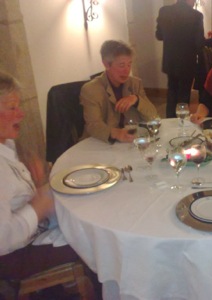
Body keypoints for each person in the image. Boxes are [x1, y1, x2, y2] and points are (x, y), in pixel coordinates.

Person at [0, 71, 100, 295]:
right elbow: (3, 239)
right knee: (93, 239)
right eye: (12, 107)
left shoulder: (6, 145)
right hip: (15, 256)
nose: (21, 114)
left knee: (88, 211)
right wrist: (39, 206)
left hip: (33, 231)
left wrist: (38, 184)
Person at [80, 40, 157, 144]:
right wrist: (117, 133)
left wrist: (137, 100)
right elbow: (93, 125)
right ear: (106, 64)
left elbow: (153, 116)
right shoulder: (91, 89)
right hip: (102, 143)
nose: (127, 70)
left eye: (129, 64)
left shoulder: (135, 83)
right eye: (121, 65)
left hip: (130, 141)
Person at [155, 0, 205, 118]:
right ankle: (181, 122)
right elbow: (199, 43)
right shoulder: (196, 16)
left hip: (170, 61)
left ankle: (169, 120)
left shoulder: (164, 11)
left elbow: (159, 35)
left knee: (172, 92)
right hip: (187, 62)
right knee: (184, 94)